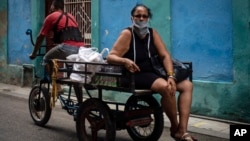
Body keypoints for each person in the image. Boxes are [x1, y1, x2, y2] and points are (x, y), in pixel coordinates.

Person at [106, 4, 197, 141]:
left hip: (154, 72)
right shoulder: (127, 34)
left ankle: (183, 130)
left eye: (144, 16)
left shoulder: (152, 33)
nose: (141, 19)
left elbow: (165, 56)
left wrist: (171, 75)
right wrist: (125, 61)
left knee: (187, 86)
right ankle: (175, 128)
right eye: (138, 16)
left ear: (148, 18)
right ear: (132, 18)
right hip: (134, 74)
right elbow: (111, 56)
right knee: (166, 87)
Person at [29, 0, 85, 103]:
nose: (50, 8)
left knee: (46, 58)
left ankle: (58, 87)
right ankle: (81, 104)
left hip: (67, 47)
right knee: (74, 76)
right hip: (81, 49)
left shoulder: (51, 16)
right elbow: (69, 34)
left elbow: (40, 37)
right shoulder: (70, 16)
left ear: (54, 6)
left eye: (51, 6)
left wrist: (34, 53)